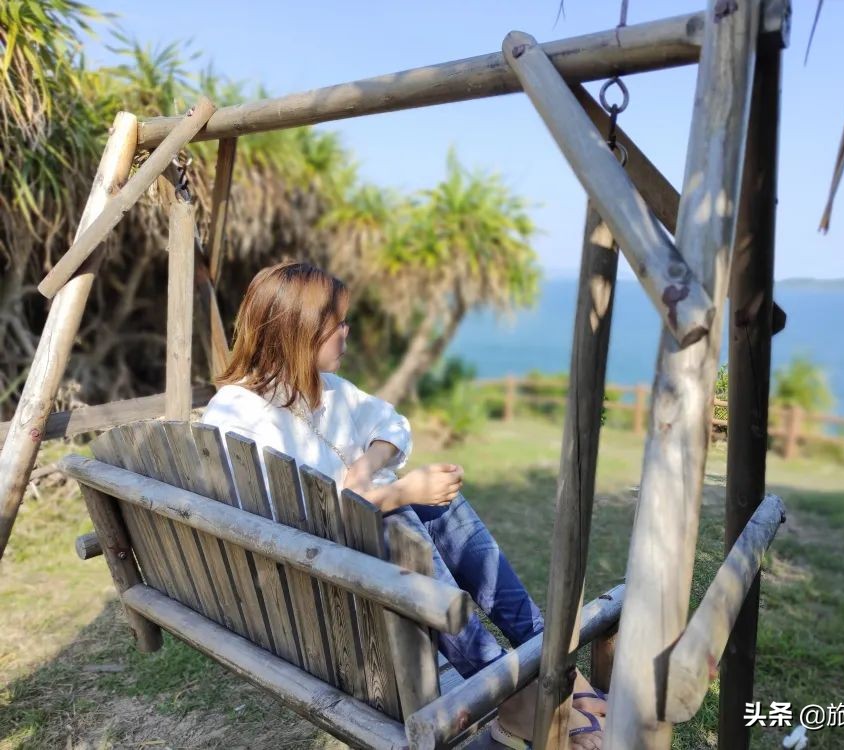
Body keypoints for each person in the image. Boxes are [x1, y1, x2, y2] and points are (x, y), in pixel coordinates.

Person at [201, 261, 607, 749]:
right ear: (301, 330)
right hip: (315, 585)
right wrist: (392, 494)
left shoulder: (323, 390)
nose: (347, 332)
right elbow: (281, 520)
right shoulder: (238, 413)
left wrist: (367, 469)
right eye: (338, 325)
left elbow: (393, 425)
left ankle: (554, 670)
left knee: (440, 507)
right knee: (399, 515)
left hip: (361, 561)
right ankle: (516, 695)